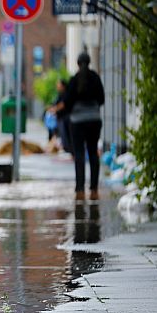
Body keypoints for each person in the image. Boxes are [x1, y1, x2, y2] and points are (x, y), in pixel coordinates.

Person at [61, 52, 105, 201]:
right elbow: (102, 99)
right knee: (93, 153)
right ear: (89, 62)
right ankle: (94, 189)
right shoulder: (95, 78)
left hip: (77, 122)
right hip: (94, 120)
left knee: (79, 155)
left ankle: (79, 189)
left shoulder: (74, 80)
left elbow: (67, 101)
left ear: (78, 63)